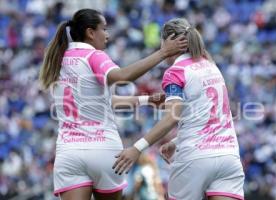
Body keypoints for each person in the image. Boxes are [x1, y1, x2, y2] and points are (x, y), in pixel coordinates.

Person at [39, 9, 187, 200]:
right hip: (103, 149)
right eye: (104, 29)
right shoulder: (93, 55)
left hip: (69, 152)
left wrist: (146, 100)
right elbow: (123, 76)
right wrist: (163, 52)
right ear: (90, 33)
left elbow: (102, 102)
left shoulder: (59, 59)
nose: (107, 35)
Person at [113, 18, 245, 200]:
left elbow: (172, 117)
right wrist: (176, 141)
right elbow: (212, 116)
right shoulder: (211, 65)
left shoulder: (176, 72)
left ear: (168, 41)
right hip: (228, 157)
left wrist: (137, 148)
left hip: (194, 158)